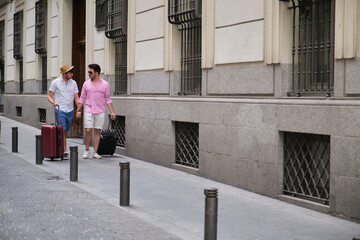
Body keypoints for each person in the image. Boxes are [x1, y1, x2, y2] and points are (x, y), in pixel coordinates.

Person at [76, 64, 116, 159]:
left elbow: (108, 99)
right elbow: (82, 98)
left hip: (100, 111)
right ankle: (86, 150)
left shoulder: (105, 84)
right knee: (88, 130)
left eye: (90, 72)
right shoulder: (86, 84)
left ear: (96, 73)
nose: (89, 74)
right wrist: (78, 110)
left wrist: (112, 112)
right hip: (89, 110)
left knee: (97, 131)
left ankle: (95, 151)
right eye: (88, 72)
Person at [48, 64, 80, 160]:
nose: (72, 74)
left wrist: (78, 110)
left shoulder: (73, 83)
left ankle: (60, 148)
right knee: (61, 130)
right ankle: (63, 151)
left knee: (65, 131)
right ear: (64, 74)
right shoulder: (55, 82)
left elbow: (76, 97)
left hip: (70, 110)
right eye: (70, 72)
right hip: (60, 109)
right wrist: (53, 103)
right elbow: (49, 96)